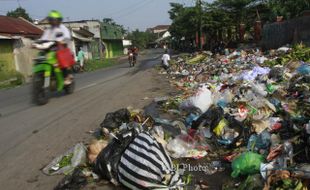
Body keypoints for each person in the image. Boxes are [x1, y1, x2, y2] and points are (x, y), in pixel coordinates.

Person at [40, 10, 73, 84]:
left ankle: (67, 76)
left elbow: (67, 37)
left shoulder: (63, 28)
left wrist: (63, 41)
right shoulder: (48, 30)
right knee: (40, 58)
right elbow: (43, 39)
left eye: (54, 20)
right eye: (51, 20)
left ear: (58, 20)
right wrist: (35, 43)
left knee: (62, 60)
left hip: (61, 49)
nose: (53, 21)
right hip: (49, 50)